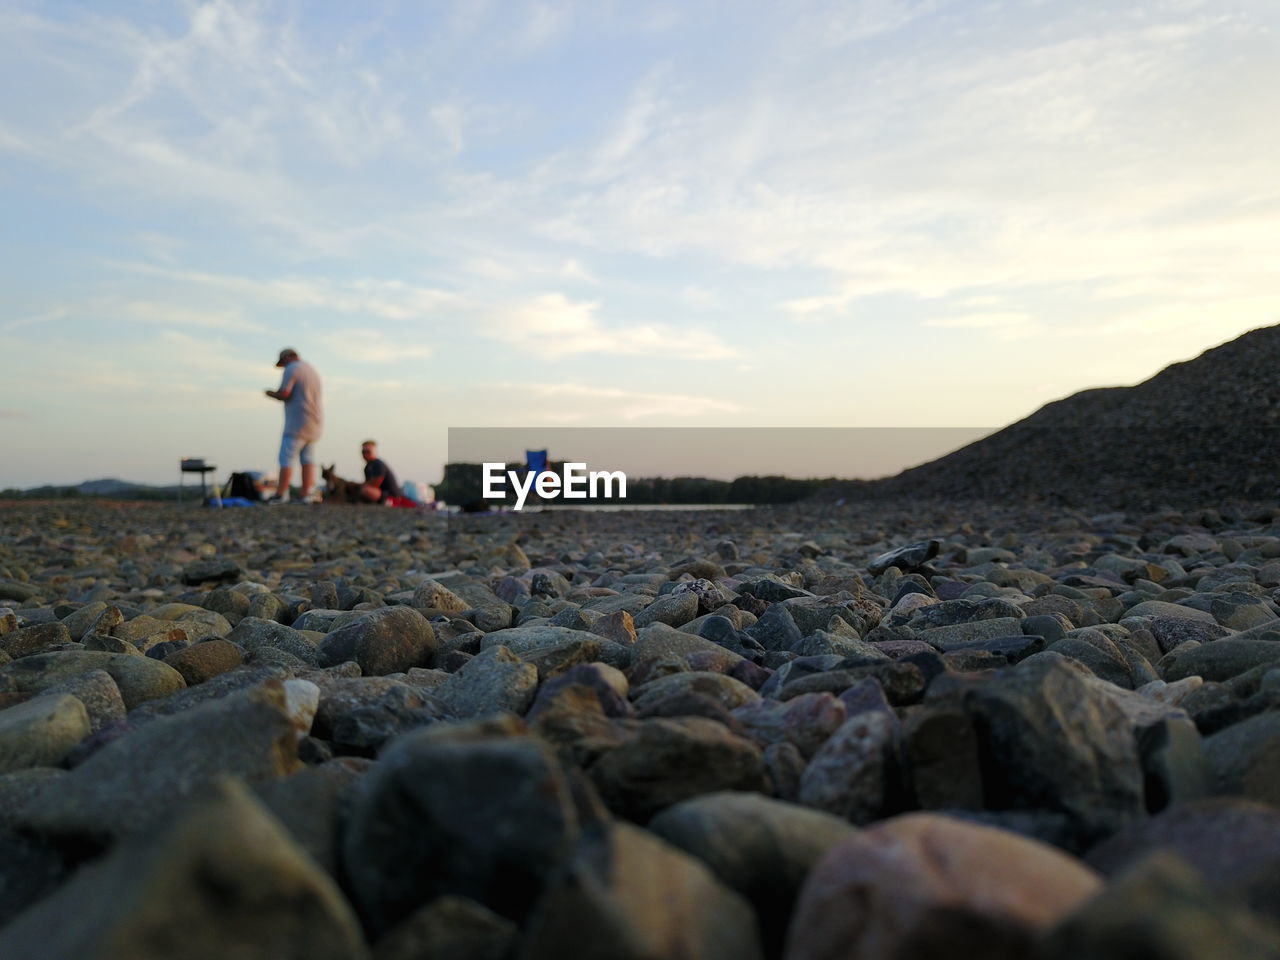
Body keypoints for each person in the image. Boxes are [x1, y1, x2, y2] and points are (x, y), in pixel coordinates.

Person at [264, 348, 323, 503]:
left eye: (283, 363)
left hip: (297, 423)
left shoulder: (292, 369)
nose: (283, 367)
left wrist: (270, 393)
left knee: (286, 458)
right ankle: (306, 494)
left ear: (288, 358)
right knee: (308, 459)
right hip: (315, 422)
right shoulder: (311, 370)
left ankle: (281, 494)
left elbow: (284, 393)